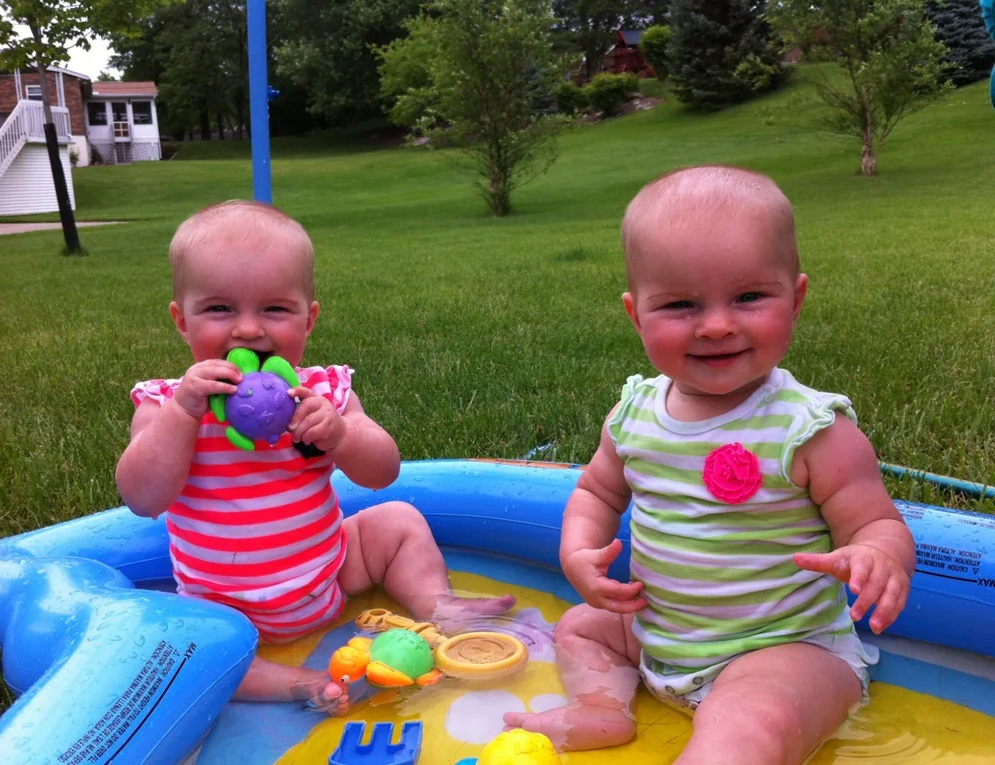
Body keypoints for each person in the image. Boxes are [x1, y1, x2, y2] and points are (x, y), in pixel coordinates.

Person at [505, 166, 915, 763]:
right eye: (680, 304)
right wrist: (578, 554)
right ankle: (603, 709)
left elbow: (879, 523)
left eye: (749, 297)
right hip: (658, 636)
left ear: (795, 299)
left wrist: (877, 555)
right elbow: (596, 493)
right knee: (580, 628)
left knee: (749, 723)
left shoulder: (811, 431)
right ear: (634, 315)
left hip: (782, 652)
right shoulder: (632, 415)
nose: (718, 324)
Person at [116, 200, 513, 714]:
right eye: (220, 309)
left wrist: (343, 435)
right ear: (181, 321)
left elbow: (383, 472)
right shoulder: (167, 402)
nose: (249, 330)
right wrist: (183, 415)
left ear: (309, 319)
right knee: (187, 648)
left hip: (329, 576)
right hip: (226, 607)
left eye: (275, 309)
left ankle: (439, 606)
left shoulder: (324, 391)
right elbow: (142, 497)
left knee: (397, 520)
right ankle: (295, 682)